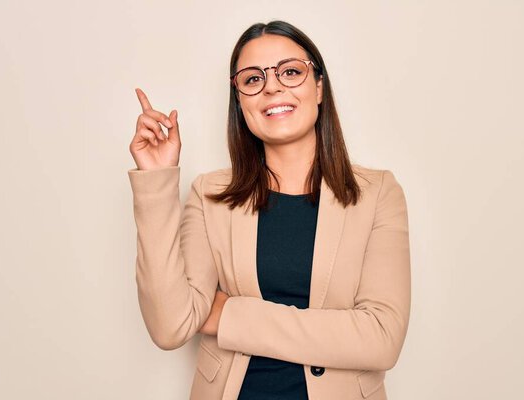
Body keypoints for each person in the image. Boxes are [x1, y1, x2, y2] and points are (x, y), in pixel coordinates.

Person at [127, 20, 411, 400]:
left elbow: (381, 339)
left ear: (319, 87)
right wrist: (158, 182)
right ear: (240, 101)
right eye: (252, 79)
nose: (272, 86)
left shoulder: (377, 193)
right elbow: (170, 325)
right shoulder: (211, 194)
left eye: (291, 72)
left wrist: (229, 314)